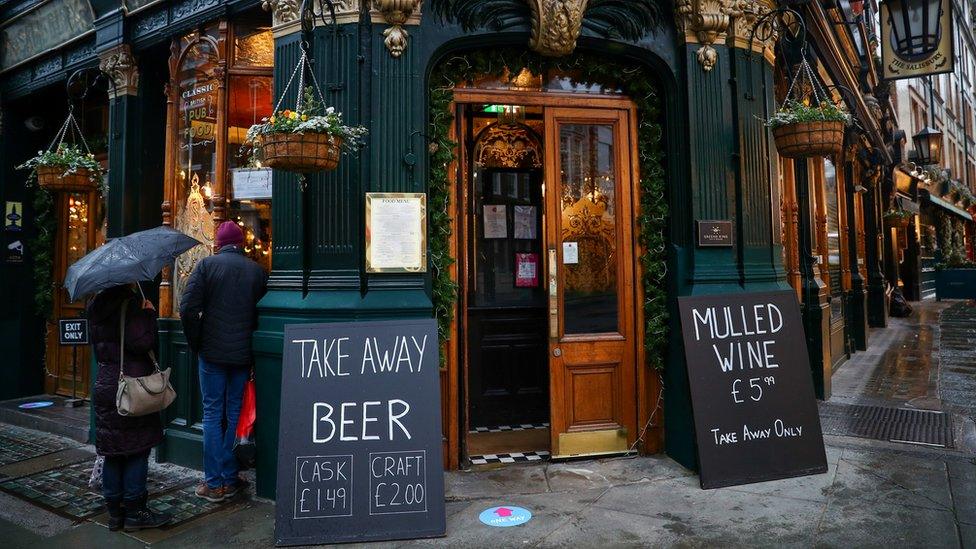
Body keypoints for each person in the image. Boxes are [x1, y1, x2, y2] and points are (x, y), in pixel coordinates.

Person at [180, 221, 267, 502]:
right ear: (241, 243)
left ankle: (214, 483)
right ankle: (230, 477)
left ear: (218, 244)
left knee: (211, 415)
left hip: (212, 355)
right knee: (233, 416)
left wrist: (197, 342)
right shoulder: (257, 271)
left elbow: (188, 307)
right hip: (242, 356)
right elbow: (261, 315)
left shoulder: (206, 267)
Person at [88, 284, 172, 532]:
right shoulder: (130, 304)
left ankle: (115, 512)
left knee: (112, 449)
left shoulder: (96, 305)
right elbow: (141, 342)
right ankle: (135, 512)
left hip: (105, 382)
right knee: (137, 447)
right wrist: (148, 314)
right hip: (131, 385)